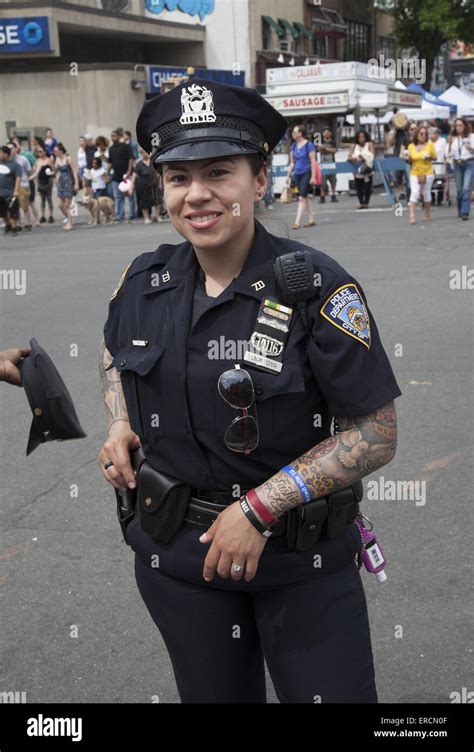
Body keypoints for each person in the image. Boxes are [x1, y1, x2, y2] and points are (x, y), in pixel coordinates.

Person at [98, 78, 401, 704]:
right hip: (178, 563)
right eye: (178, 177)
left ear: (259, 179)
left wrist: (258, 510)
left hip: (300, 564)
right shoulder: (142, 281)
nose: (197, 194)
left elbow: (375, 432)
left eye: (218, 172)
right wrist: (119, 421)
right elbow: (112, 355)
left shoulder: (318, 286)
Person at [285, 125, 317, 229]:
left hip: (306, 172)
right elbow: (292, 163)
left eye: (295, 132)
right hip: (297, 174)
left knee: (301, 197)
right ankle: (311, 219)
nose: (293, 134)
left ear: (300, 133)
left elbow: (313, 162)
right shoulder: (293, 146)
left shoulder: (309, 145)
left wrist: (313, 176)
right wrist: (288, 175)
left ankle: (297, 222)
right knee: (305, 196)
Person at [406, 125, 436, 225]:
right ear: (417, 135)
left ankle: (427, 212)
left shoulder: (429, 145)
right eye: (421, 134)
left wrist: (429, 158)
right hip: (415, 172)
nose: (423, 136)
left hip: (427, 172)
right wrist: (408, 158)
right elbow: (410, 160)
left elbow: (435, 157)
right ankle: (411, 215)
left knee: (426, 193)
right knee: (414, 192)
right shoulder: (411, 146)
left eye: (425, 134)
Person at [447, 117, 474, 220]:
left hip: (469, 162)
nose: (458, 128)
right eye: (456, 125)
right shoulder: (453, 138)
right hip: (457, 164)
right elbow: (448, 154)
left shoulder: (471, 137)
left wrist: (470, 148)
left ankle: (465, 212)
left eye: (460, 125)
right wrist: (449, 144)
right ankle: (460, 209)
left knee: (466, 188)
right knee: (459, 190)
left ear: (465, 126)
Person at [108, 130, 135, 222]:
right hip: (116, 176)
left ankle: (132, 215)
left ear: (119, 136)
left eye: (114, 136)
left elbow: (131, 159)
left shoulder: (126, 146)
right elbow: (110, 162)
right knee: (118, 197)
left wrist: (128, 171)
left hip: (127, 176)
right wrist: (107, 173)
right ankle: (120, 215)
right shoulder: (111, 149)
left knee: (130, 196)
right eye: (112, 136)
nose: (113, 138)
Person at [53, 143, 79, 231]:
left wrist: (76, 184)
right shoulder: (57, 159)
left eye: (56, 151)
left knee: (67, 205)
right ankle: (69, 218)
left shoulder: (68, 158)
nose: (55, 152)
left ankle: (70, 223)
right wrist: (55, 178)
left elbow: (75, 171)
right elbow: (55, 170)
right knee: (60, 205)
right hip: (61, 182)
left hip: (68, 181)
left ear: (61, 150)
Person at [7, 140, 33, 230]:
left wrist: (28, 180)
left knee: (24, 205)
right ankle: (18, 223)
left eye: (11, 148)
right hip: (11, 186)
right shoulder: (7, 161)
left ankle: (28, 223)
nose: (10, 150)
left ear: (16, 149)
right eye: (8, 149)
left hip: (23, 184)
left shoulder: (22, 159)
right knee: (14, 206)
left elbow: (29, 171)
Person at [131, 147, 159, 223]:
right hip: (142, 184)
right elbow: (134, 175)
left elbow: (158, 173)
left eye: (146, 152)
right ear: (140, 154)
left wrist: (161, 183)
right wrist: (132, 185)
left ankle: (157, 216)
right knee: (144, 201)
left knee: (157, 199)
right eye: (143, 152)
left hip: (153, 183)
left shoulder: (154, 162)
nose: (145, 154)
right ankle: (146, 218)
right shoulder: (139, 164)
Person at [348, 130, 376, 209]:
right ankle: (361, 202)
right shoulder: (354, 145)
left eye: (363, 136)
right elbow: (349, 156)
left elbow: (372, 155)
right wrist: (354, 158)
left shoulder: (369, 144)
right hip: (357, 168)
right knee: (359, 186)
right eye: (359, 137)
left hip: (367, 168)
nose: (361, 138)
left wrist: (365, 157)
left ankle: (366, 202)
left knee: (367, 187)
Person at [29, 145, 55, 224]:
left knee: (49, 198)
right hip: (40, 181)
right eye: (38, 152)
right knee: (42, 199)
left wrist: (51, 174)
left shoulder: (49, 160)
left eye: (41, 151)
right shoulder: (37, 161)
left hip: (48, 180)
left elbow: (54, 170)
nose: (39, 153)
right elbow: (34, 171)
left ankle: (50, 215)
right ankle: (43, 216)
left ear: (45, 152)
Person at [0, 145, 21, 236]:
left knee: (13, 211)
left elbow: (18, 178)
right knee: (2, 212)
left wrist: (16, 190)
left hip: (10, 192)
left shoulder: (15, 165)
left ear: (6, 154)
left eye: (0, 153)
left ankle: (14, 227)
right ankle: (8, 225)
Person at [316, 127, 338, 203]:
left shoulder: (333, 142)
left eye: (328, 132)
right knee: (322, 181)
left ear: (330, 134)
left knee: (333, 180)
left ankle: (333, 195)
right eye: (325, 132)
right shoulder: (320, 141)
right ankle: (322, 196)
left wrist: (325, 149)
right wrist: (326, 149)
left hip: (332, 163)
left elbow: (334, 150)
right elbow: (319, 149)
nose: (326, 134)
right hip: (323, 164)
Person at [428, 127, 448, 206]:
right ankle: (431, 198)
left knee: (439, 182)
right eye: (429, 134)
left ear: (437, 134)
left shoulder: (442, 141)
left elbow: (445, 151)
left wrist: (447, 159)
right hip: (429, 164)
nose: (430, 136)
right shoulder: (427, 142)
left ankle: (440, 198)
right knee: (430, 182)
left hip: (440, 164)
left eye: (432, 134)